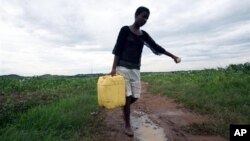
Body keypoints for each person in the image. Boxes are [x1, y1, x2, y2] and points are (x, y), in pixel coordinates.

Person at [110, 6, 181, 137]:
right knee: (127, 95)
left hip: (136, 68)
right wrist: (113, 68)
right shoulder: (125, 30)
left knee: (135, 96)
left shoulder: (144, 35)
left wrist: (173, 56)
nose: (144, 20)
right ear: (136, 15)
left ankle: (124, 106)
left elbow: (156, 46)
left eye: (147, 18)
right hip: (123, 68)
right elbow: (118, 49)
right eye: (143, 16)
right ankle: (127, 124)